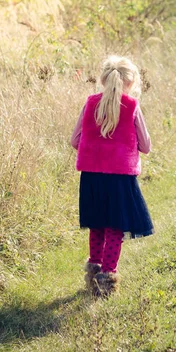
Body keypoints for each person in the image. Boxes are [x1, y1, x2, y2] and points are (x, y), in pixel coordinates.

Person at [70, 55, 154, 297]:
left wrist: (96, 149)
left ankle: (93, 272)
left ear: (103, 79)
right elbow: (146, 146)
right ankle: (107, 279)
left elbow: (75, 140)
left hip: (91, 176)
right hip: (119, 177)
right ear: (130, 82)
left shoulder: (90, 104)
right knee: (115, 228)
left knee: (97, 223)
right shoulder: (132, 106)